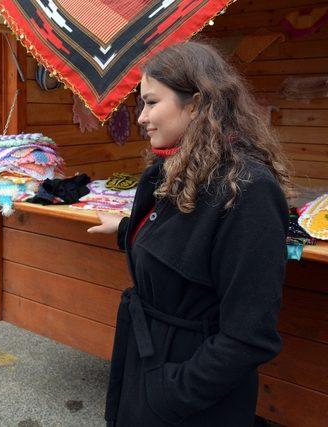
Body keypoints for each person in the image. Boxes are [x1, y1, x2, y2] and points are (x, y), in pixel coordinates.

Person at [88, 42, 292, 426]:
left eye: (151, 103)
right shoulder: (172, 169)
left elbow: (250, 336)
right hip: (149, 365)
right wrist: (129, 231)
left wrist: (172, 392)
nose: (141, 118)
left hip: (193, 395)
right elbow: (184, 242)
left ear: (196, 104)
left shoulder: (248, 189)